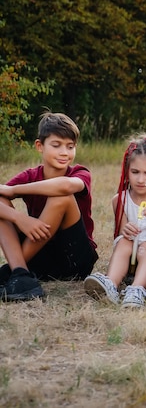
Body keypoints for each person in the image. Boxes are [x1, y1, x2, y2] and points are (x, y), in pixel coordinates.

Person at [0, 112, 98, 301]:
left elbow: (65, 186)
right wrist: (19, 218)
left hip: (75, 259)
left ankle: (11, 271)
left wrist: (14, 191)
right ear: (40, 146)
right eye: (56, 145)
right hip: (39, 258)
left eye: (70, 147)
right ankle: (21, 274)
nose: (64, 152)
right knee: (2, 202)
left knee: (61, 197)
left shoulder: (80, 172)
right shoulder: (30, 175)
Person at [84, 134, 146, 308]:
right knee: (125, 241)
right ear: (126, 171)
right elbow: (120, 238)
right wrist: (125, 231)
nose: (141, 179)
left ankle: (137, 290)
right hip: (131, 260)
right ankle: (110, 284)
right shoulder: (120, 199)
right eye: (135, 172)